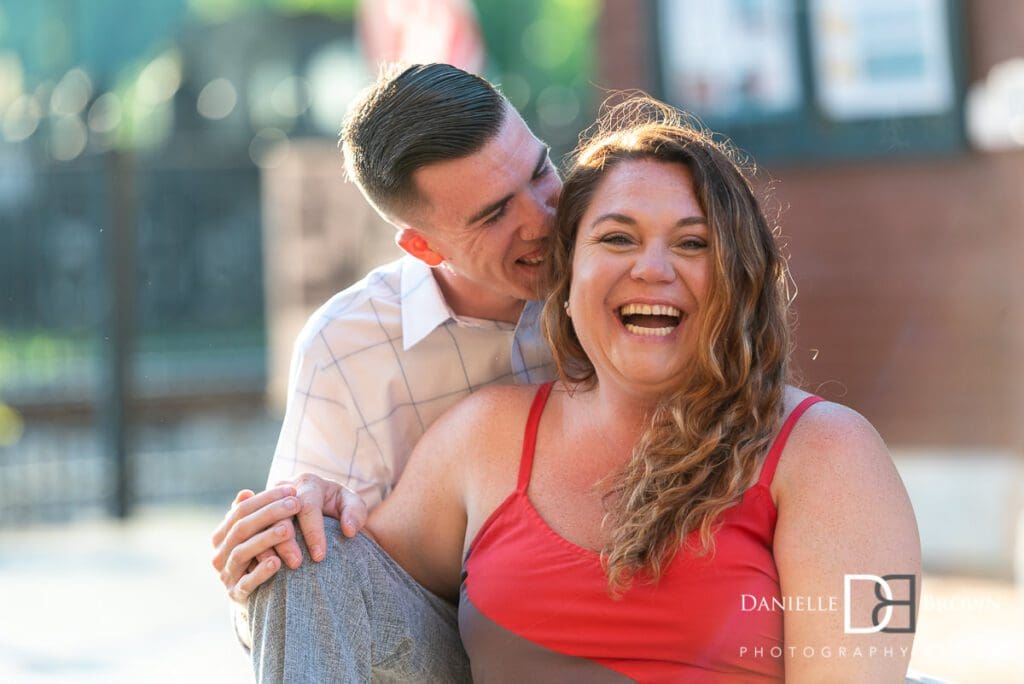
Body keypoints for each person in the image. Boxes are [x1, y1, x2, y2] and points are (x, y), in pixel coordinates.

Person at [246, 96, 921, 682]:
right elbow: (337, 603)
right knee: (306, 556)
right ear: (563, 284)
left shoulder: (832, 454)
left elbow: (870, 648)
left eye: (692, 244)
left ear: (738, 275)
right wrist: (299, 518)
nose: (652, 269)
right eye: (618, 238)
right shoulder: (486, 436)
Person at [210, 62, 558, 623]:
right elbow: (297, 588)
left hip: (621, 607)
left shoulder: (619, 265)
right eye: (495, 214)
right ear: (422, 247)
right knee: (299, 565)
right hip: (442, 637)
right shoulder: (345, 345)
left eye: (541, 172)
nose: (541, 220)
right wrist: (263, 554)